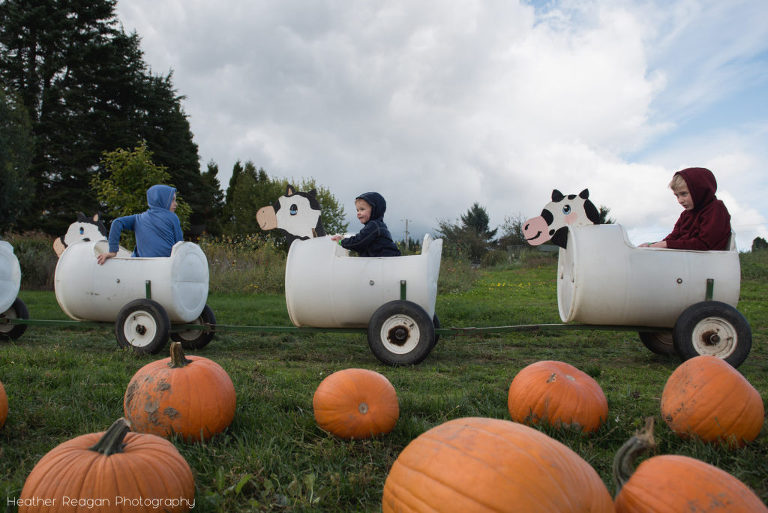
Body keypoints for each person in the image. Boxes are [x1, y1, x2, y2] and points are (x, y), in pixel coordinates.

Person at [641, 167, 731, 250]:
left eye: (684, 194)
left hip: (708, 262)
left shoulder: (715, 209)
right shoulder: (685, 214)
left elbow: (704, 244)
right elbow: (673, 237)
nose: (680, 200)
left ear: (699, 190)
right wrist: (652, 245)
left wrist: (666, 244)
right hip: (686, 260)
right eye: (677, 195)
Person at [96, 184, 184, 264]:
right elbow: (179, 244)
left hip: (142, 265)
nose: (176, 204)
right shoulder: (172, 217)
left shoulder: (138, 218)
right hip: (166, 265)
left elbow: (117, 222)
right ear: (162, 200)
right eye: (172, 200)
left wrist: (112, 251)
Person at [330, 192, 401, 257]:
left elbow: (358, 242)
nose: (358, 213)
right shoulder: (378, 226)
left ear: (374, 210)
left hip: (386, 263)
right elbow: (361, 246)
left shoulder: (374, 226)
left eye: (362, 209)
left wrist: (341, 242)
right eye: (357, 210)